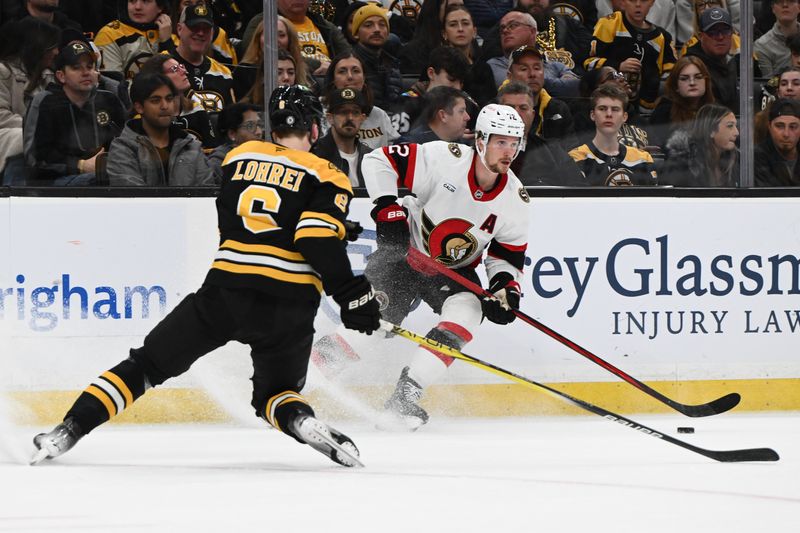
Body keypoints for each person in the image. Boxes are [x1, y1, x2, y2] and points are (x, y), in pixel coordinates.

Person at [30, 84, 381, 468]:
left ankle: (68, 430)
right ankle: (301, 420)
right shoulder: (328, 172)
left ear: (271, 127)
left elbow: (262, 209)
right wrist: (353, 294)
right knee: (275, 393)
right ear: (314, 129)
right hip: (290, 303)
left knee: (145, 366)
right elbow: (311, 235)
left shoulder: (239, 156)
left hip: (227, 290)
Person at [312, 103, 530, 429]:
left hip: (454, 270)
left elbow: (506, 255)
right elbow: (378, 161)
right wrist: (387, 207)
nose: (509, 151)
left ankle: (405, 396)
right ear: (481, 141)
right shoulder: (445, 159)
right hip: (404, 254)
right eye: (501, 141)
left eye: (514, 143)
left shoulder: (516, 199)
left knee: (468, 312)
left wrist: (504, 288)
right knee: (372, 324)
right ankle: (304, 373)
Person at [24, 40, 125, 185]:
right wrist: (81, 166)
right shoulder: (45, 103)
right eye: (76, 68)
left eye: (90, 67)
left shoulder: (109, 100)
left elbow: (123, 143)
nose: (85, 73)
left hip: (107, 174)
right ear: (61, 76)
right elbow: (35, 160)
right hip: (55, 182)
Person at [107, 73, 214, 186]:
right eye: (155, 100)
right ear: (139, 107)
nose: (165, 106)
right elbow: (133, 198)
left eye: (169, 99)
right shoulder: (122, 148)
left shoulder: (191, 146)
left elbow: (206, 194)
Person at [585, 0, 676, 112]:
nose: (638, 4)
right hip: (608, 103)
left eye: (643, 0)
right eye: (632, 0)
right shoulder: (609, 23)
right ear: (623, 2)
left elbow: (672, 75)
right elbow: (588, 63)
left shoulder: (663, 37)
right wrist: (618, 66)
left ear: (652, 2)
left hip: (647, 108)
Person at [0, 17, 59, 182]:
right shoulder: (3, 72)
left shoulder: (50, 77)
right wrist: (36, 128)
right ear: (38, 46)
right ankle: (14, 194)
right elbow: (1, 116)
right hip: (8, 136)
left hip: (40, 136)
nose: (56, 52)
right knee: (25, 141)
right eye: (52, 46)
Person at [568, 84, 657, 186]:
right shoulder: (575, 158)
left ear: (624, 117)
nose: (609, 114)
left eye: (615, 109)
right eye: (602, 109)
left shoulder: (643, 158)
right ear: (592, 115)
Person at [498, 81, 583, 185]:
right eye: (510, 108)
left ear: (533, 115)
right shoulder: (480, 151)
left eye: (523, 108)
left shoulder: (554, 152)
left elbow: (580, 190)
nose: (516, 113)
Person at [488, 10, 580, 97]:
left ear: (532, 31)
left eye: (513, 25)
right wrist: (554, 83)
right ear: (510, 74)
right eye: (502, 28)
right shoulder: (492, 66)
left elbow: (576, 86)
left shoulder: (555, 65)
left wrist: (534, 82)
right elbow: (516, 89)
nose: (505, 31)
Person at [138, 53, 219, 148]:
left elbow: (213, 149)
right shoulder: (146, 117)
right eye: (175, 69)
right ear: (157, 78)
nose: (184, 71)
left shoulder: (196, 109)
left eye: (181, 67)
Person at [322, 51, 399, 149]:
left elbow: (395, 149)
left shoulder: (378, 115)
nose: (350, 76)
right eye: (342, 71)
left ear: (364, 78)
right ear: (333, 79)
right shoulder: (319, 110)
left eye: (356, 71)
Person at [506, 44, 576, 151]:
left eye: (537, 68)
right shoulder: (495, 108)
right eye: (524, 69)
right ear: (510, 76)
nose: (532, 74)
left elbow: (573, 152)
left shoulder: (559, 109)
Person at [390, 45, 471, 136]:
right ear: (431, 73)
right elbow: (398, 141)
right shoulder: (407, 102)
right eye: (451, 80)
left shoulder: (465, 101)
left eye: (460, 82)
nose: (457, 88)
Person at [170, 4, 235, 112]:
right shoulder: (162, 64)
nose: (200, 33)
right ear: (179, 29)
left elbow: (231, 121)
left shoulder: (224, 74)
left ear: (212, 32)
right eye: (194, 27)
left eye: (206, 28)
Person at [661, 103, 739, 186]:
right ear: (711, 130)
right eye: (730, 126)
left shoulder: (736, 160)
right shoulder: (682, 164)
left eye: (735, 126)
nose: (737, 132)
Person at [648, 55, 715, 149]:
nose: (692, 83)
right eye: (684, 79)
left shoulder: (715, 111)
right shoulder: (664, 113)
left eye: (698, 77)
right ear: (676, 86)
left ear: (706, 82)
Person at [94, 0, 173, 79]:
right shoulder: (108, 34)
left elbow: (179, 78)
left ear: (160, 6)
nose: (137, 7)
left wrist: (167, 42)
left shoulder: (173, 32)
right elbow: (111, 86)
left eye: (146, 1)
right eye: (132, 1)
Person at [312, 86, 371, 187]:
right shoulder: (315, 155)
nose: (350, 118)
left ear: (362, 118)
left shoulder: (371, 157)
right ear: (330, 118)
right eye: (343, 112)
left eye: (356, 112)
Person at [440, 4, 498, 106]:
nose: (460, 29)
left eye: (465, 23)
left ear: (474, 32)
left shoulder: (484, 69)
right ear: (444, 34)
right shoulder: (436, 65)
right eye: (453, 24)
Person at [684, 7, 739, 112]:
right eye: (712, 32)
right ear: (700, 36)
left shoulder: (734, 60)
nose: (720, 37)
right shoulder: (691, 66)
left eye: (725, 31)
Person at [350, 3, 402, 110]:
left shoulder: (393, 63)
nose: (377, 29)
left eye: (382, 25)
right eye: (368, 25)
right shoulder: (348, 63)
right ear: (356, 33)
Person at [277, 0, 351, 76]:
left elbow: (349, 57)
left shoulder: (325, 26)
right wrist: (323, 66)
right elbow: (278, 56)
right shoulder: (269, 25)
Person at [208, 101, 263, 182]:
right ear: (232, 134)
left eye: (259, 125)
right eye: (250, 126)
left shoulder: (267, 157)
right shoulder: (218, 164)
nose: (259, 132)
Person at [755, 98, 800, 186]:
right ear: (769, 127)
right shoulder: (756, 158)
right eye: (780, 126)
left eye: (793, 127)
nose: (786, 134)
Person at [755, 0, 800, 78]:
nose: (785, 5)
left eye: (791, 0)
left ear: (799, 6)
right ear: (773, 8)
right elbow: (769, 84)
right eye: (779, 1)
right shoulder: (762, 45)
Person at [755, 67, 800, 144]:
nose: (789, 88)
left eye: (796, 83)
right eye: (784, 84)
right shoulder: (761, 120)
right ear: (778, 92)